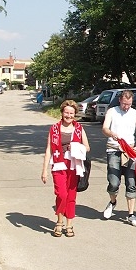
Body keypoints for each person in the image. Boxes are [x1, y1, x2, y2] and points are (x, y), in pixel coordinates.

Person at [41, 100, 90, 237]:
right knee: (61, 194)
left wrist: (76, 147)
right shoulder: (54, 128)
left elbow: (87, 147)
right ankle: (59, 221)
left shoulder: (79, 128)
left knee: (71, 195)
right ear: (62, 113)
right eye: (66, 112)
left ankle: (68, 224)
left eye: (71, 113)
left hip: (74, 166)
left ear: (75, 114)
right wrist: (44, 170)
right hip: (58, 165)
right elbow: (48, 149)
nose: (68, 115)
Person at [101, 89, 136, 226]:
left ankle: (131, 214)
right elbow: (104, 129)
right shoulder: (112, 111)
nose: (126, 107)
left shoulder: (135, 114)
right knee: (114, 182)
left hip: (129, 151)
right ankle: (112, 202)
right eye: (124, 103)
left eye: (129, 104)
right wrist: (111, 133)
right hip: (114, 149)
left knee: (131, 182)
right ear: (120, 100)